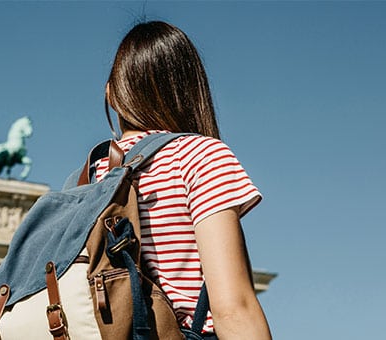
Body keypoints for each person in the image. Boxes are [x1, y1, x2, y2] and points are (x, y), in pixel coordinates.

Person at [93, 21, 272, 339]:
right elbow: (233, 307)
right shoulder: (199, 156)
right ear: (189, 90)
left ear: (111, 94)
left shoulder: (94, 176)